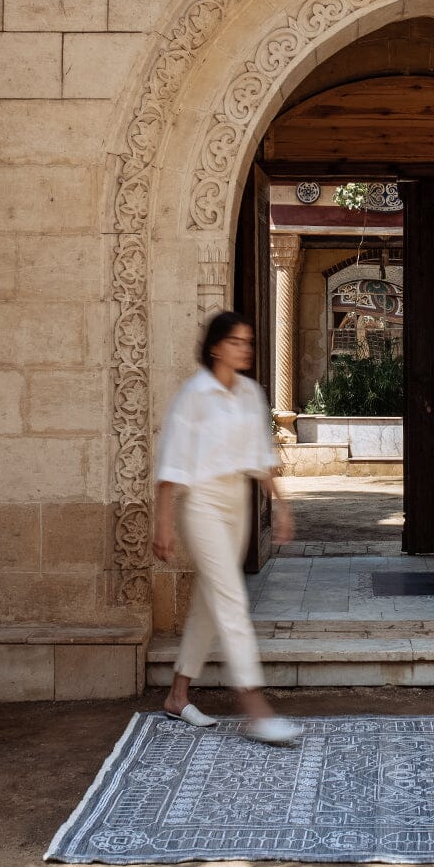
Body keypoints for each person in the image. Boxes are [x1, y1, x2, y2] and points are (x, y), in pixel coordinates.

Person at [152, 310, 301, 745]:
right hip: (201, 504)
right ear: (216, 346)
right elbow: (171, 462)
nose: (246, 348)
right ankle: (255, 708)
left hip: (237, 502)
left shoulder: (251, 393)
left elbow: (260, 455)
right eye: (236, 341)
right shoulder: (194, 395)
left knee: (210, 599)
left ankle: (178, 695)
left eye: (249, 341)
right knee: (232, 598)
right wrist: (163, 522)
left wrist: (283, 506)